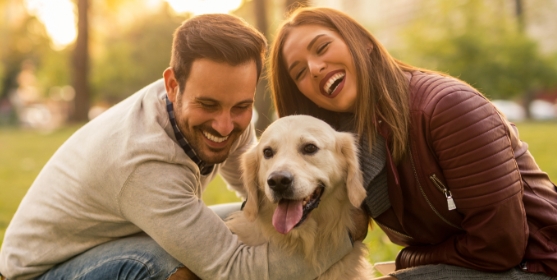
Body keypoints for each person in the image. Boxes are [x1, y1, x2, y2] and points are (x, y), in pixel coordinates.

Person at [0, 13, 355, 280]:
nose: (224, 125)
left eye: (241, 106)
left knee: (241, 220)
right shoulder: (141, 162)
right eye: (209, 105)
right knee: (169, 266)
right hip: (44, 271)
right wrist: (345, 236)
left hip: (126, 231)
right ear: (173, 85)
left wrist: (325, 214)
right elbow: (231, 268)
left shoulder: (231, 113)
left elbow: (253, 201)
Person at [269, 6, 557, 280]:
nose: (315, 68)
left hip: (539, 266)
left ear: (364, 43)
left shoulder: (446, 107)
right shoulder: (342, 144)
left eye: (322, 48)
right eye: (299, 73)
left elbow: (500, 244)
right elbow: (339, 231)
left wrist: (409, 262)